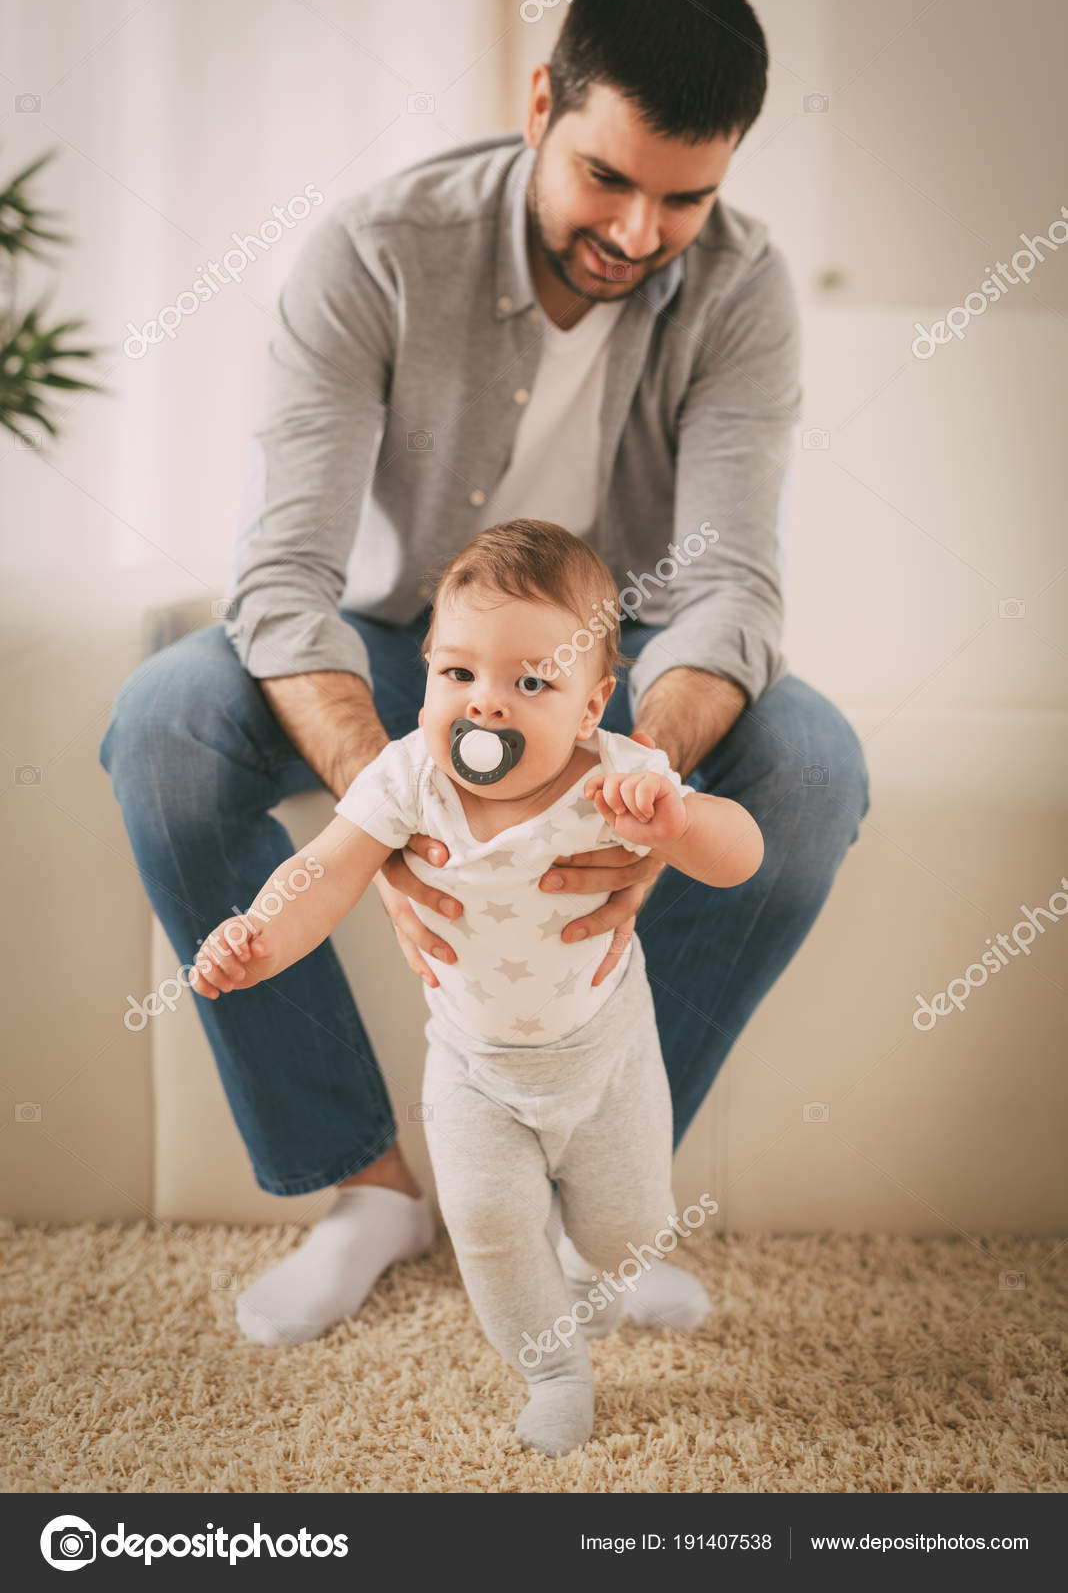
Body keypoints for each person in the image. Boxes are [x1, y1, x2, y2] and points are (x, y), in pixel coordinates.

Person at [99, 0, 870, 1352]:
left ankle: (593, 1193)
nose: (639, 232)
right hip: (404, 653)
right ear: (540, 105)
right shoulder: (379, 250)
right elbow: (284, 578)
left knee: (812, 771)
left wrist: (642, 774)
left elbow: (734, 586)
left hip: (612, 677)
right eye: (606, 178)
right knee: (162, 728)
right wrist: (385, 798)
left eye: (685, 197)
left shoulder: (743, 293)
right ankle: (370, 1189)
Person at [187, 521, 765, 1455]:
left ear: (590, 705)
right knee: (489, 1229)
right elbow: (327, 874)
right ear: (425, 676)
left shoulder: (620, 777)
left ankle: (596, 1277)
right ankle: (553, 1370)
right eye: (458, 675)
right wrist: (257, 935)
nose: (486, 706)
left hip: (606, 1056)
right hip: (472, 1067)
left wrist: (680, 819)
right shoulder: (407, 778)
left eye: (530, 683)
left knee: (627, 1234)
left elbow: (742, 858)